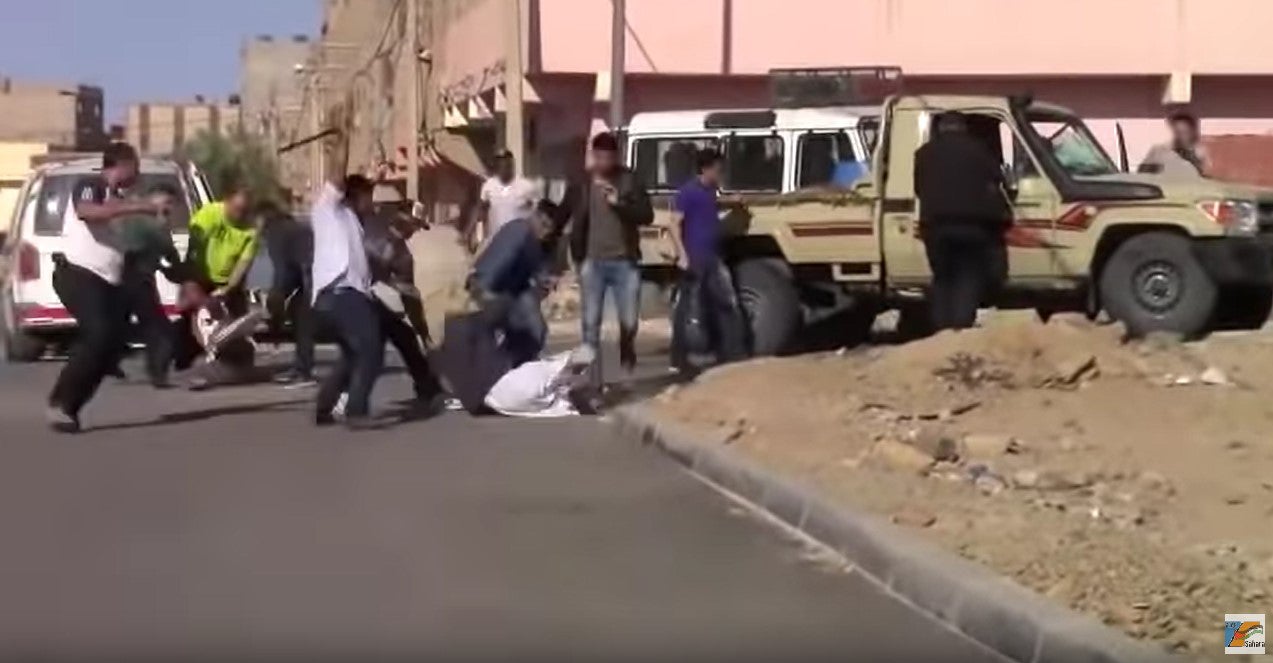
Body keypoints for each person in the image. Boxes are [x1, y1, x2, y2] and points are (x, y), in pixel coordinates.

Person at [46, 142, 170, 432]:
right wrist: (145, 206)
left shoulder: (117, 200)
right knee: (98, 334)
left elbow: (117, 242)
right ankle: (60, 402)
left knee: (111, 344)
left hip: (106, 281)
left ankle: (70, 407)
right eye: (135, 166)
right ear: (123, 164)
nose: (138, 174)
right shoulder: (92, 185)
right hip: (78, 274)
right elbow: (87, 212)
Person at [560, 132, 654, 387]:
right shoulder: (581, 183)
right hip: (592, 262)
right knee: (590, 324)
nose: (604, 162)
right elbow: (563, 214)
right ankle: (593, 382)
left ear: (616, 157)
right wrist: (547, 243)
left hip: (625, 262)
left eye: (609, 157)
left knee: (629, 322)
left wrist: (619, 202)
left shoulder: (629, 180)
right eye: (599, 157)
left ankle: (626, 364)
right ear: (593, 156)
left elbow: (646, 215)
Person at [310, 103, 384, 429]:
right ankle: (355, 411)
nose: (372, 203)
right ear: (353, 196)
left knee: (354, 354)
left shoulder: (353, 223)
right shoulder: (329, 210)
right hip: (340, 294)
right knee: (371, 348)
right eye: (368, 196)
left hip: (343, 297)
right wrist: (342, 140)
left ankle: (324, 406)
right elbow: (338, 176)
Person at [914, 111, 1011, 331]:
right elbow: (998, 180)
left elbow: (919, 188)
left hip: (935, 227)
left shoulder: (924, 153)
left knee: (942, 277)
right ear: (964, 128)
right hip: (973, 226)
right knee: (967, 277)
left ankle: (942, 329)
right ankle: (960, 327)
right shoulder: (980, 150)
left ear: (940, 129)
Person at [361, 182, 445, 403]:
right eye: (415, 226)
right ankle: (347, 395)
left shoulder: (374, 231)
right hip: (368, 300)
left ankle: (429, 388)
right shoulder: (396, 248)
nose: (415, 232)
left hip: (370, 300)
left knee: (402, 341)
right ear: (405, 220)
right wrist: (422, 328)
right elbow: (408, 294)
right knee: (374, 351)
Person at [668, 148, 746, 371]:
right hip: (695, 258)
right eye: (717, 170)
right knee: (687, 309)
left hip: (713, 255)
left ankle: (732, 355)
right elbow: (674, 224)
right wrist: (682, 255)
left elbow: (711, 206)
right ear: (705, 169)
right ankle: (679, 358)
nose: (720, 174)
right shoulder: (687, 192)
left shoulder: (710, 190)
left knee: (725, 304)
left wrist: (732, 202)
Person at [111, 182, 186, 388]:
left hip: (140, 280)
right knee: (158, 330)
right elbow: (139, 247)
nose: (168, 207)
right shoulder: (139, 221)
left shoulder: (158, 224)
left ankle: (155, 371)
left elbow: (169, 255)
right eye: (165, 201)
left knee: (151, 328)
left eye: (171, 204)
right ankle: (155, 373)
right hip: (130, 278)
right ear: (151, 200)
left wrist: (177, 269)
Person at [469, 200, 558, 367]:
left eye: (549, 230)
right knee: (533, 330)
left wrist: (544, 279)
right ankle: (508, 365)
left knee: (531, 329)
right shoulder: (523, 233)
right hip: (492, 291)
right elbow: (501, 261)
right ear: (535, 215)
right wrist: (485, 291)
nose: (545, 232)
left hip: (503, 290)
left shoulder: (523, 233)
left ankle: (509, 363)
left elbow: (534, 267)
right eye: (544, 225)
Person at [260, 202, 316, 386]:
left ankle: (304, 372)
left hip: (312, 278)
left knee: (303, 322)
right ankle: (301, 368)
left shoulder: (276, 232)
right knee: (299, 316)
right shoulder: (292, 226)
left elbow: (282, 271)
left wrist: (276, 298)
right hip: (313, 275)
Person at [179, 280, 270, 391]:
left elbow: (222, 321)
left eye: (194, 291)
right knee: (199, 363)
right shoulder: (195, 317)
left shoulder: (211, 304)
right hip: (222, 355)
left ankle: (251, 374)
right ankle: (251, 374)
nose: (191, 295)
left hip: (233, 352)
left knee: (202, 364)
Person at [484, 345, 597, 418]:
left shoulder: (564, 405)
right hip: (498, 392)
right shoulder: (556, 370)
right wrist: (568, 370)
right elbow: (587, 351)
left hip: (501, 394)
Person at [470, 149, 538, 252]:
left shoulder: (527, 186)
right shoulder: (489, 185)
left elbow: (535, 213)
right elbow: (482, 210)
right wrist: (478, 235)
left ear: (512, 165)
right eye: (499, 164)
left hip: (519, 243)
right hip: (495, 241)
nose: (503, 167)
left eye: (506, 164)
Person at [1139, 110, 1209, 178]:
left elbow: (1205, 177)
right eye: (1177, 132)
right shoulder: (1159, 151)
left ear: (1192, 132)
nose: (1180, 136)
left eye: (1185, 132)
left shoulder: (1200, 154)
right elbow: (1142, 174)